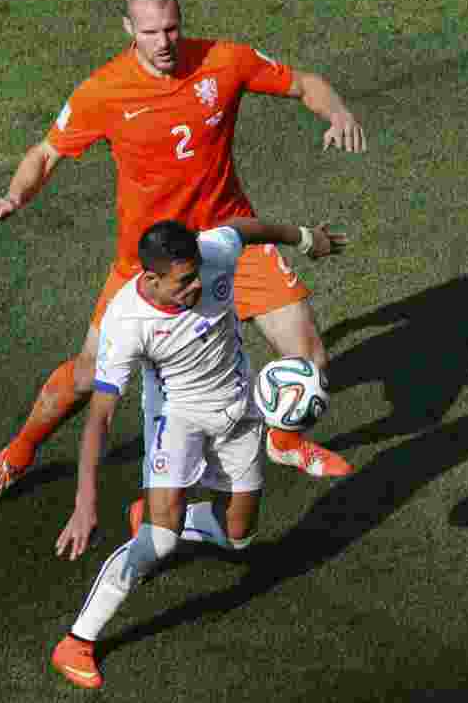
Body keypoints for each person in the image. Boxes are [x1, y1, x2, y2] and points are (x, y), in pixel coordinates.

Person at [0, 0, 367, 514]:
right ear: (130, 28)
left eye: (172, 28)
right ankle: (16, 454)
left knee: (309, 356)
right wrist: (13, 197)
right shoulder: (104, 90)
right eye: (150, 32)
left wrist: (336, 112)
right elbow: (46, 154)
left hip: (230, 240)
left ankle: (285, 442)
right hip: (146, 262)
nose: (164, 42)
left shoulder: (225, 60)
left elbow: (304, 83)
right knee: (87, 373)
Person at [49, 217, 345, 689]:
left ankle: (156, 513)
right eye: (182, 282)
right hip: (177, 420)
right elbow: (99, 419)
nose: (194, 288)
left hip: (239, 403)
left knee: (240, 535)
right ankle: (76, 641)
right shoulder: (126, 325)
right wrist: (85, 504)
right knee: (159, 542)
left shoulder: (213, 252)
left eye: (196, 276)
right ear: (150, 278)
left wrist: (308, 239)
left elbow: (248, 229)